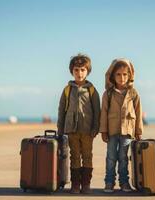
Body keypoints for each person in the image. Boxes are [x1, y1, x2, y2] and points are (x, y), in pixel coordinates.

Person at [57, 53, 100, 194]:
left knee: (87, 156)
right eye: (76, 70)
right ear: (72, 71)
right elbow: (61, 110)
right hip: (71, 129)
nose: (79, 73)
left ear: (87, 71)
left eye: (82, 70)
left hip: (88, 130)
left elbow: (97, 111)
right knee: (74, 156)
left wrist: (95, 128)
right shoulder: (67, 90)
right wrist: (60, 129)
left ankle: (86, 184)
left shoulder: (92, 90)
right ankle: (75, 185)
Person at [99, 58, 143, 193]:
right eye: (118, 74)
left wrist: (138, 131)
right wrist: (103, 131)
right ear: (112, 76)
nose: (122, 77)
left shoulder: (133, 93)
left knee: (123, 158)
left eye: (125, 74)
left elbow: (138, 112)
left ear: (129, 76)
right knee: (111, 157)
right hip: (112, 131)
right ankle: (109, 182)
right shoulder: (108, 94)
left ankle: (124, 182)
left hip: (127, 131)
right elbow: (104, 113)